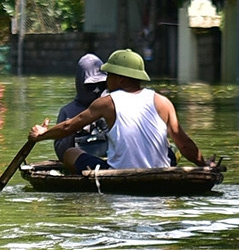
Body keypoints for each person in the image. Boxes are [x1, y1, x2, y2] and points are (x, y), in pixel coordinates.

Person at [28, 48, 203, 170]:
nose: (106, 81)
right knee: (172, 149)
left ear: (120, 79)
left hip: (117, 171)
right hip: (160, 169)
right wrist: (205, 165)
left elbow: (67, 127)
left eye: (109, 75)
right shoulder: (163, 102)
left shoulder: (106, 103)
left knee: (70, 154)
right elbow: (185, 145)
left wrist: (41, 135)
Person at [53, 53, 112, 172]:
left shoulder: (111, 105)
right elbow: (62, 153)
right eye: (91, 86)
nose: (96, 90)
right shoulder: (68, 111)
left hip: (109, 162)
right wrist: (74, 128)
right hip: (81, 163)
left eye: (100, 85)